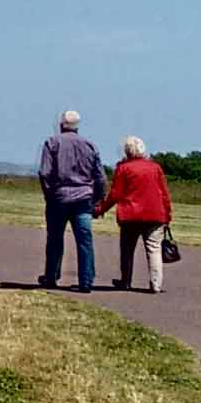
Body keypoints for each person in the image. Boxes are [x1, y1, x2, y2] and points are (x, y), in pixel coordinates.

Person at [37, 110, 103, 289]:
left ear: (61, 125)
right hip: (83, 198)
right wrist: (96, 199)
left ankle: (51, 276)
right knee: (84, 240)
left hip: (59, 198)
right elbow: (100, 177)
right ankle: (86, 281)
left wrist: (49, 195)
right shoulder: (90, 145)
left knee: (55, 239)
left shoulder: (52, 142)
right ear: (77, 127)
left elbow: (44, 173)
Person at [100, 134, 172, 292]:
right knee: (154, 249)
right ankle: (156, 284)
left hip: (130, 215)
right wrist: (167, 214)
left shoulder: (123, 168)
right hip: (155, 215)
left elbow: (115, 194)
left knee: (127, 250)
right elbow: (164, 193)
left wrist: (100, 209)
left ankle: (125, 281)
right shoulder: (155, 168)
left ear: (127, 151)